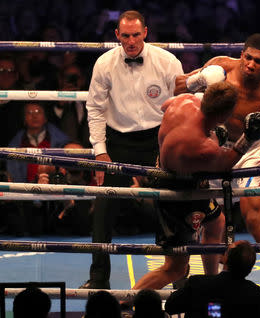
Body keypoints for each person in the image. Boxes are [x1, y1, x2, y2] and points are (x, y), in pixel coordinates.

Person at [175, 33, 260, 302]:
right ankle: (211, 286)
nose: (249, 64)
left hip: (251, 149)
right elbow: (177, 88)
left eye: (257, 61)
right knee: (212, 222)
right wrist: (197, 80)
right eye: (247, 57)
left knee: (254, 220)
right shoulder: (221, 67)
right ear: (242, 53)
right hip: (216, 144)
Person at [130, 81, 260, 293]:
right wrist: (247, 139)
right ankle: (124, 300)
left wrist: (211, 131)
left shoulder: (183, 101)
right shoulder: (203, 147)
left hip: (180, 174)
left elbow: (163, 106)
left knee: (217, 221)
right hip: (176, 193)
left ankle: (211, 284)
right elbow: (224, 165)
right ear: (225, 114)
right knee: (175, 269)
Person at [81, 10, 184, 289]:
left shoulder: (166, 61)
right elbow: (95, 109)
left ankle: (179, 278)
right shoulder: (104, 64)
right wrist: (100, 152)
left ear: (145, 33)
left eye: (135, 35)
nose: (131, 41)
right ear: (117, 36)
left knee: (173, 206)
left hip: (158, 139)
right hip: (118, 141)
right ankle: (99, 278)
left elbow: (184, 103)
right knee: (104, 207)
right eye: (125, 36)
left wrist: (176, 143)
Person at [165, 240, 260, 318]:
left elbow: (170, 306)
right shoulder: (259, 295)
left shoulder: (197, 284)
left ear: (225, 258)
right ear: (250, 267)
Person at [7, 101, 70, 183]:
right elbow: (14, 175)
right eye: (30, 112)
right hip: (25, 192)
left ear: (45, 118)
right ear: (24, 119)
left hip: (53, 189)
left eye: (38, 112)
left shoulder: (60, 140)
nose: (34, 116)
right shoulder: (15, 144)